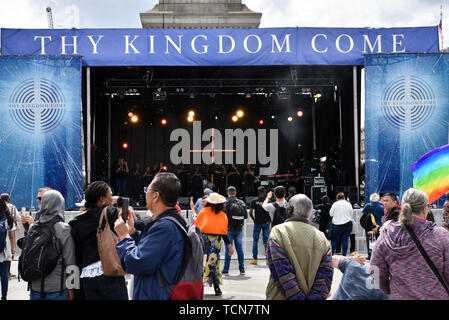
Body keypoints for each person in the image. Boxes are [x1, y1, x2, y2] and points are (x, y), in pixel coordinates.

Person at [114, 172, 188, 300]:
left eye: (146, 190)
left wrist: (124, 236)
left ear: (155, 196)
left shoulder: (165, 227)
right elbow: (151, 253)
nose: (145, 194)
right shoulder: (166, 223)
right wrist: (133, 234)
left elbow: (136, 262)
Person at [371, 188, 449, 300]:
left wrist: (392, 289)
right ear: (424, 210)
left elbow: (375, 273)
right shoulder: (441, 236)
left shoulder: (386, 235)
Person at [266, 194, 333, 300]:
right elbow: (326, 276)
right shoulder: (322, 238)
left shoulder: (278, 232)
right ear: (310, 213)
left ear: (290, 209)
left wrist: (297, 297)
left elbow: (282, 272)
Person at [69, 181, 128, 300]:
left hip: (87, 279)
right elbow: (130, 224)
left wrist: (72, 286)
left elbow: (74, 256)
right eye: (110, 195)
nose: (112, 198)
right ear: (102, 199)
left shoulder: (76, 223)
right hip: (110, 274)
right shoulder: (111, 213)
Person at [28, 190, 76, 300]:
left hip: (35, 288)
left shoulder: (33, 227)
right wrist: (72, 288)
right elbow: (70, 262)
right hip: (57, 289)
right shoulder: (64, 229)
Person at [194, 192, 234, 296]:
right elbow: (224, 233)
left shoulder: (203, 212)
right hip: (215, 243)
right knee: (213, 264)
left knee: (200, 264)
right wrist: (229, 247)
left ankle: (199, 288)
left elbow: (196, 228)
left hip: (201, 241)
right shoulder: (222, 215)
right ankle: (216, 287)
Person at [222, 186, 248, 276]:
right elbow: (246, 216)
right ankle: (242, 269)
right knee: (239, 249)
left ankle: (226, 270)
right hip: (239, 228)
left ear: (228, 194)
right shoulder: (241, 202)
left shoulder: (226, 203)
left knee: (228, 249)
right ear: (235, 193)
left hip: (228, 229)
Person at [249, 187, 271, 265]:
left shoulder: (254, 201)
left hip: (257, 223)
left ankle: (255, 259)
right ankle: (267, 259)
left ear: (258, 192)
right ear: (264, 192)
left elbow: (250, 212)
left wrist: (254, 220)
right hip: (266, 223)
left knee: (255, 241)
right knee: (266, 242)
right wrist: (269, 220)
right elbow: (271, 211)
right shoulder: (268, 201)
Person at [0, 194, 20, 278]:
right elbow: (18, 218)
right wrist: (13, 249)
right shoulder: (12, 207)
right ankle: (8, 272)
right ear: (8, 199)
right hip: (7, 239)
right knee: (7, 258)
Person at [0, 197, 16, 300]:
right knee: (4, 275)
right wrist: (13, 250)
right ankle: (4, 297)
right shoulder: (8, 218)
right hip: (4, 250)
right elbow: (11, 236)